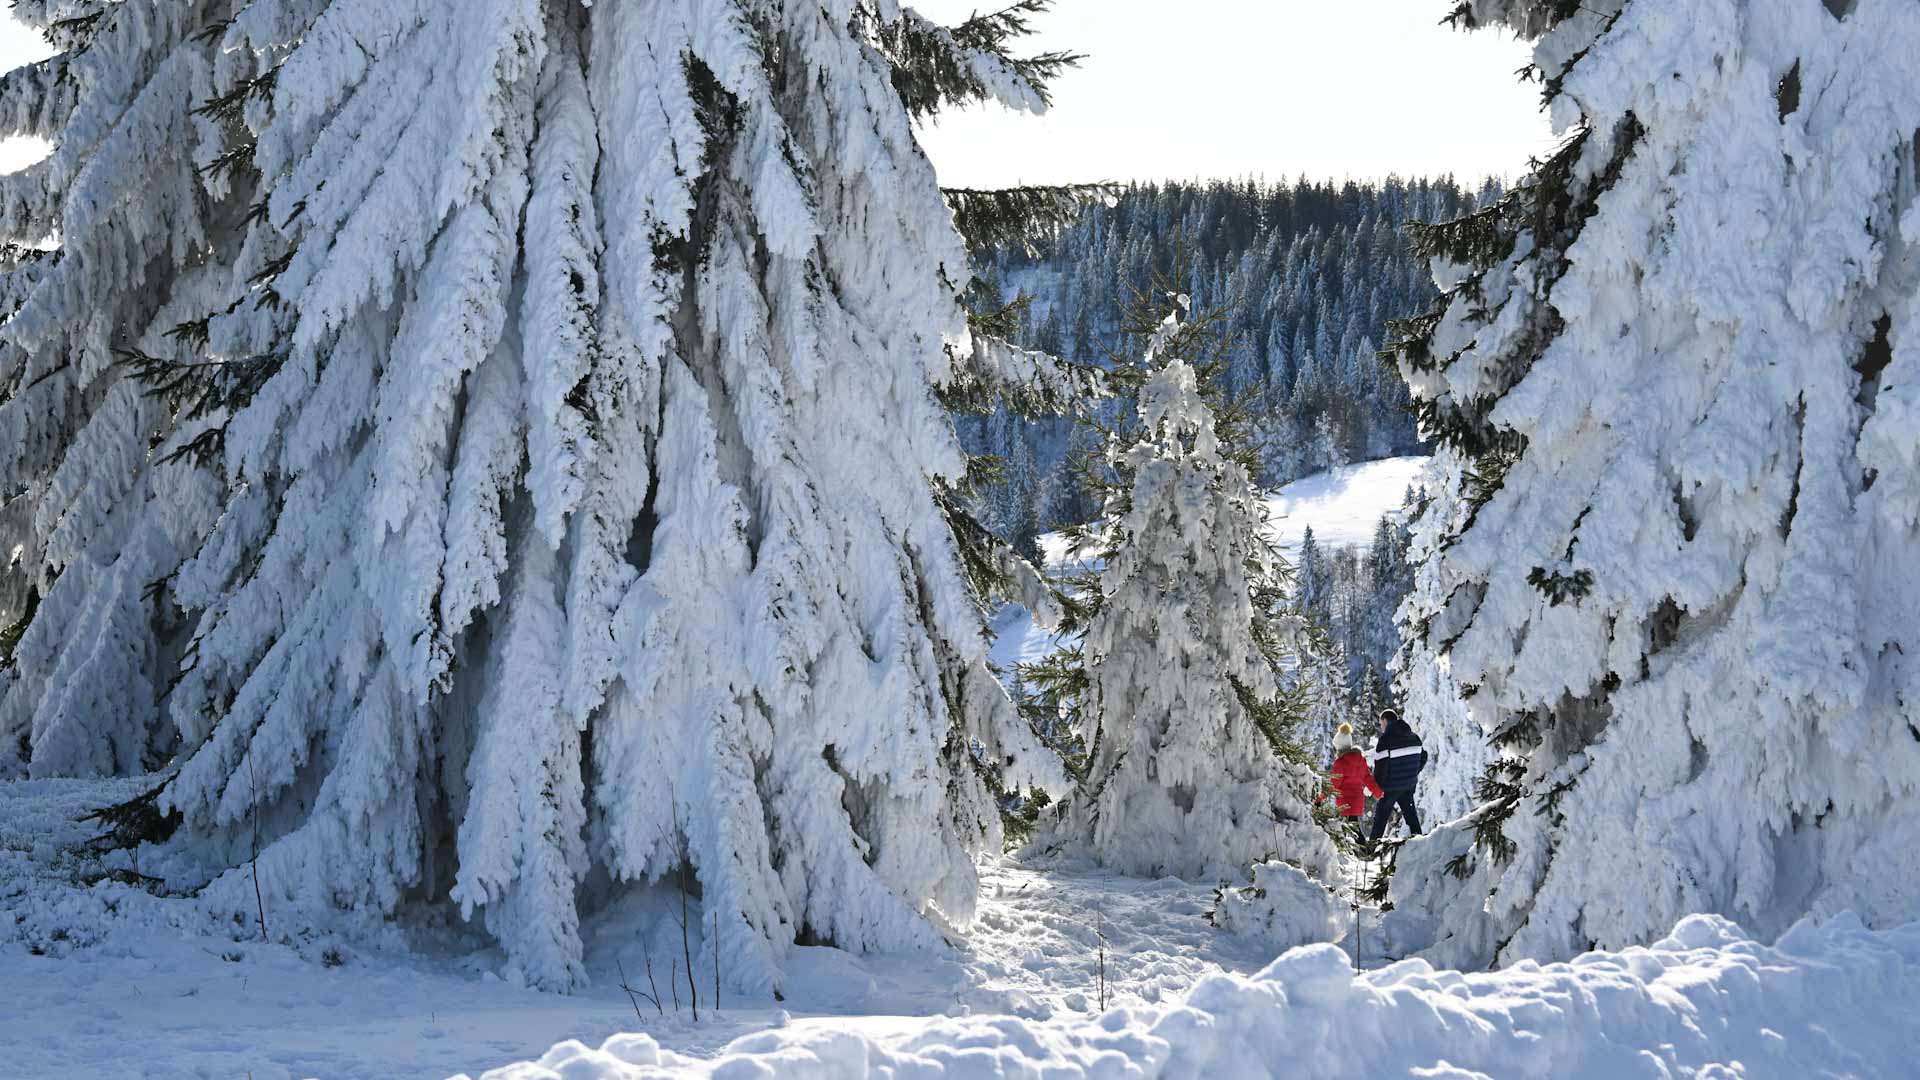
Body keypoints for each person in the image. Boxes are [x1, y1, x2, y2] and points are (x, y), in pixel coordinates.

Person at [1367, 708, 1426, 840]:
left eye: (1381, 724)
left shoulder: (1385, 740)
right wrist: (1412, 773)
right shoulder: (1414, 737)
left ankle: (1370, 851)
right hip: (1408, 785)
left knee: (1380, 821)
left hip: (1390, 788)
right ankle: (1421, 844)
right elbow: (1423, 756)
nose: (1381, 727)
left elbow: (1380, 769)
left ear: (1385, 721)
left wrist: (1377, 787)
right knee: (1412, 817)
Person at [1322, 722, 1384, 841]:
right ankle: (1360, 851)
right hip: (1357, 800)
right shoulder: (1360, 759)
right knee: (1353, 828)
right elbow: (1367, 778)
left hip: (1345, 801)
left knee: (1348, 830)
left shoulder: (1340, 763)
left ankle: (1362, 852)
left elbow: (1334, 785)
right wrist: (1377, 792)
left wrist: (1320, 798)